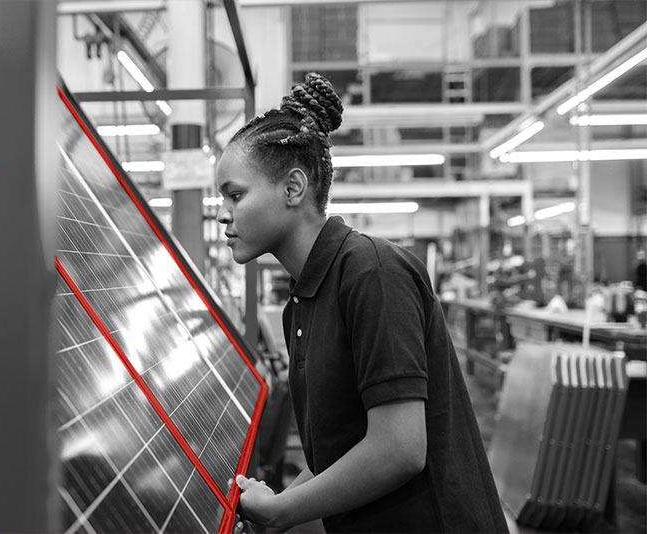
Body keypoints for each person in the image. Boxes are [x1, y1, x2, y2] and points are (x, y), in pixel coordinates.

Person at [216, 73, 508, 533]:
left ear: (293, 189)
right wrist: (280, 506)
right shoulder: (305, 301)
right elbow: (340, 450)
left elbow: (399, 448)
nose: (222, 212)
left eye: (235, 194)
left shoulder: (372, 273)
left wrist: (284, 512)